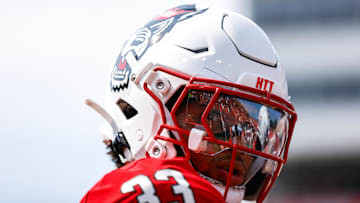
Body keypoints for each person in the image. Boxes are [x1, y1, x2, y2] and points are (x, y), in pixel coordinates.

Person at [81, 4, 297, 203]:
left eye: (252, 132)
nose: (241, 149)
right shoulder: (160, 191)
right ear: (147, 106)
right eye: (218, 122)